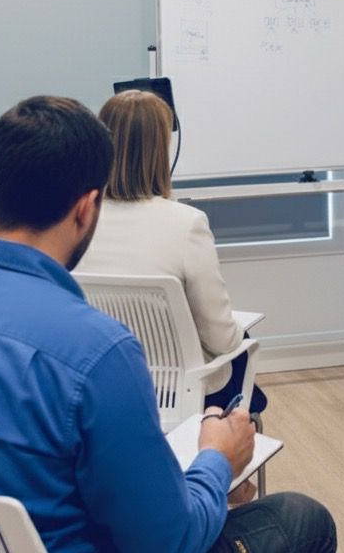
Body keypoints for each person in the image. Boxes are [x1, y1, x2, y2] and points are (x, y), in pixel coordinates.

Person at [0, 96, 336, 553]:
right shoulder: (96, 354)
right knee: (304, 521)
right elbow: (165, 551)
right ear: (86, 208)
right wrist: (216, 462)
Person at [82, 89, 261, 410]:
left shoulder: (76, 221)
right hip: (181, 395)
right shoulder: (186, 223)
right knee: (243, 352)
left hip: (102, 389)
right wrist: (238, 336)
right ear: (160, 151)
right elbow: (220, 339)